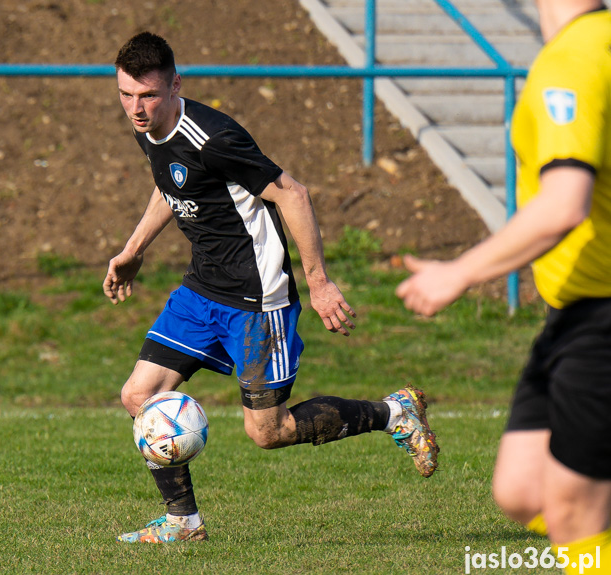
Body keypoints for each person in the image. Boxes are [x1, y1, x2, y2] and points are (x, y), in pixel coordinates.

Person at [103, 31, 439, 544]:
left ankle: (396, 412)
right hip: (202, 290)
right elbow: (172, 185)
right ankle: (184, 523)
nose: (136, 107)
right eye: (126, 94)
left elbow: (293, 194)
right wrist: (133, 250)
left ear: (175, 85)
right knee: (139, 395)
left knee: (268, 432)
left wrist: (319, 282)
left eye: (147, 95)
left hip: (258, 300)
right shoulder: (148, 129)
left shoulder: (213, 138)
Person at [396, 1, 611, 571]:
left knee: (572, 515)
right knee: (522, 490)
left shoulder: (573, 58)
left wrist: (459, 272)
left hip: (602, 316)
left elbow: (565, 204)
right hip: (571, 317)